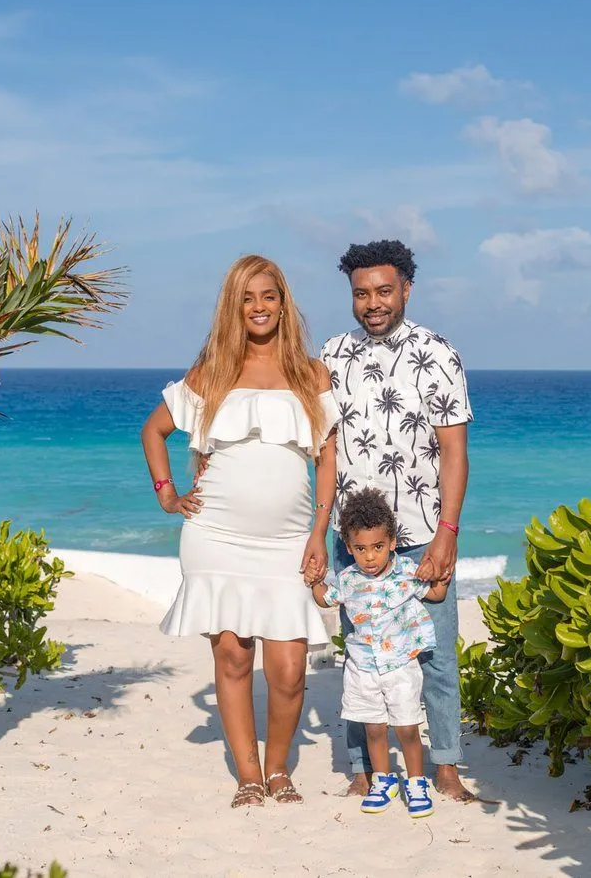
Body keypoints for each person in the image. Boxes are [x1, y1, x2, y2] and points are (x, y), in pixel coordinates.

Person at [141, 254, 337, 809]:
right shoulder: (212, 373)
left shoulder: (311, 374)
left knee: (289, 670)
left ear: (284, 304)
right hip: (216, 537)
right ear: (234, 307)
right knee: (232, 658)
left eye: (269, 296)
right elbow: (153, 431)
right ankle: (250, 775)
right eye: (247, 298)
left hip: (288, 541)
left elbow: (327, 459)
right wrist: (168, 495)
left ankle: (279, 767)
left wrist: (319, 532)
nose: (259, 307)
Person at [320, 238, 475, 803]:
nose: (373, 303)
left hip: (421, 538)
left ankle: (447, 768)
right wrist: (319, 531)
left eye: (384, 291)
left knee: (435, 657)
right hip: (355, 542)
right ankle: (364, 769)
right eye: (362, 293)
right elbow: (326, 451)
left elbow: (454, 452)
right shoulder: (332, 354)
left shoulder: (438, 353)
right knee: (361, 657)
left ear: (406, 289)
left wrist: (447, 535)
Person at [311, 487, 450, 818]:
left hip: (401, 666)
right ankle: (384, 781)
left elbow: (436, 595)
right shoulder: (347, 579)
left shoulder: (406, 573)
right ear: (349, 548)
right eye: (360, 549)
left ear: (391, 543)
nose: (370, 557)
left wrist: (442, 575)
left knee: (407, 728)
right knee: (373, 727)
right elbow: (325, 599)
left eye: (377, 547)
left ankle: (416, 782)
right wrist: (313, 580)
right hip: (363, 668)